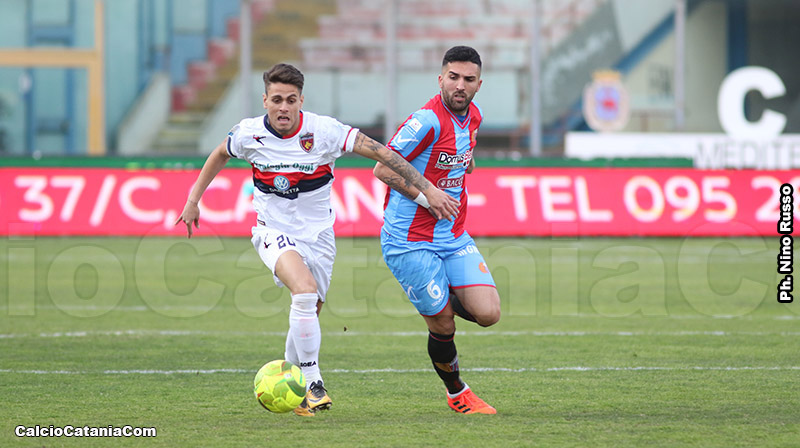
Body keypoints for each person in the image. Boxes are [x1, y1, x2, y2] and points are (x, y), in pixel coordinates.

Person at [176, 63, 459, 417]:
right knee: (305, 290)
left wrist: (427, 190)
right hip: (272, 230)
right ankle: (313, 383)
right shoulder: (249, 134)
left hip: (320, 236)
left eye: (290, 100)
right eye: (276, 99)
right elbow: (220, 153)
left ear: (301, 101)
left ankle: (290, 387)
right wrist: (193, 200)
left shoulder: (324, 131)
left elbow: (382, 153)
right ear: (264, 100)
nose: (283, 107)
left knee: (309, 307)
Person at [373, 46, 501, 414]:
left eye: (469, 79)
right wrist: (428, 195)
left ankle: (438, 295)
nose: (460, 85)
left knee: (489, 313)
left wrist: (464, 162)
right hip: (409, 240)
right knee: (443, 322)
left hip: (453, 235)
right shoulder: (425, 121)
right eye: (453, 77)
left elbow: (464, 153)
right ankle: (457, 393)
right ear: (441, 78)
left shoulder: (474, 116)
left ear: (479, 84)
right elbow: (383, 168)